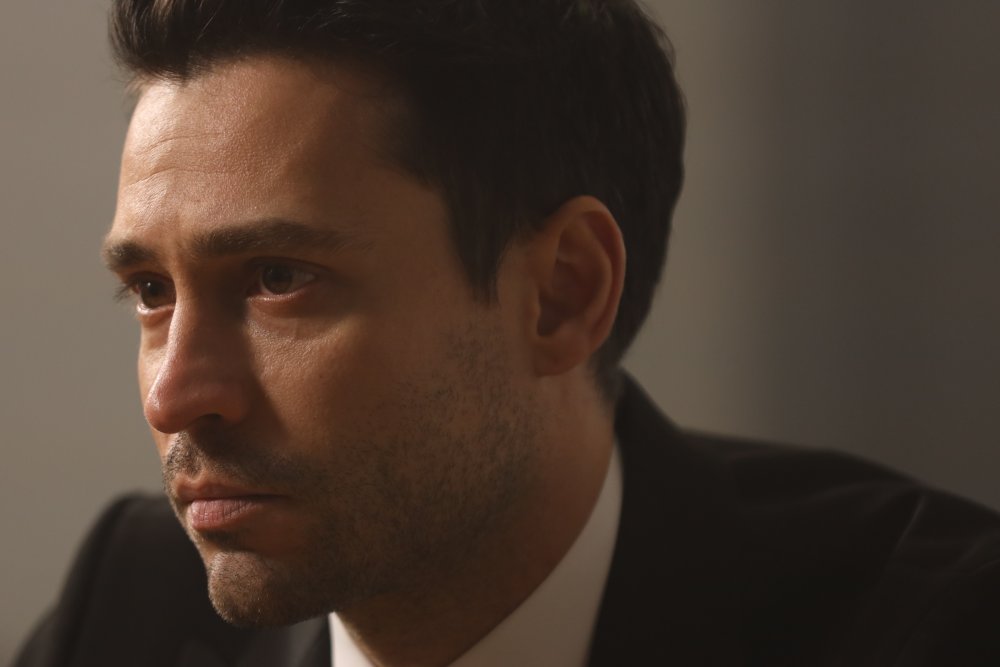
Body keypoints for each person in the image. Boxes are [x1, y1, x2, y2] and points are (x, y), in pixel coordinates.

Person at [13, 1, 1000, 665]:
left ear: (562, 293)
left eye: (278, 280)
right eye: (150, 291)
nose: (174, 394)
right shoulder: (130, 611)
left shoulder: (937, 628)